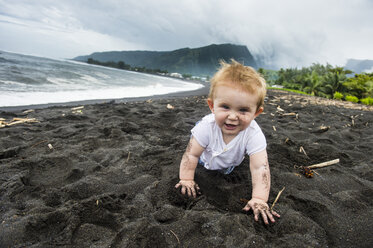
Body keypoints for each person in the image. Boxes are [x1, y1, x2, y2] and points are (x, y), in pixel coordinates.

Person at [175, 59, 280, 224]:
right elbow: (192, 154)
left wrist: (259, 198)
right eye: (225, 107)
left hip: (230, 165)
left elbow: (260, 167)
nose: (232, 116)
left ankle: (226, 162)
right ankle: (199, 135)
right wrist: (187, 179)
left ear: (256, 113)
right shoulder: (207, 126)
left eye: (243, 110)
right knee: (197, 143)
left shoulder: (254, 133)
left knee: (230, 166)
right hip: (204, 159)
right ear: (212, 106)